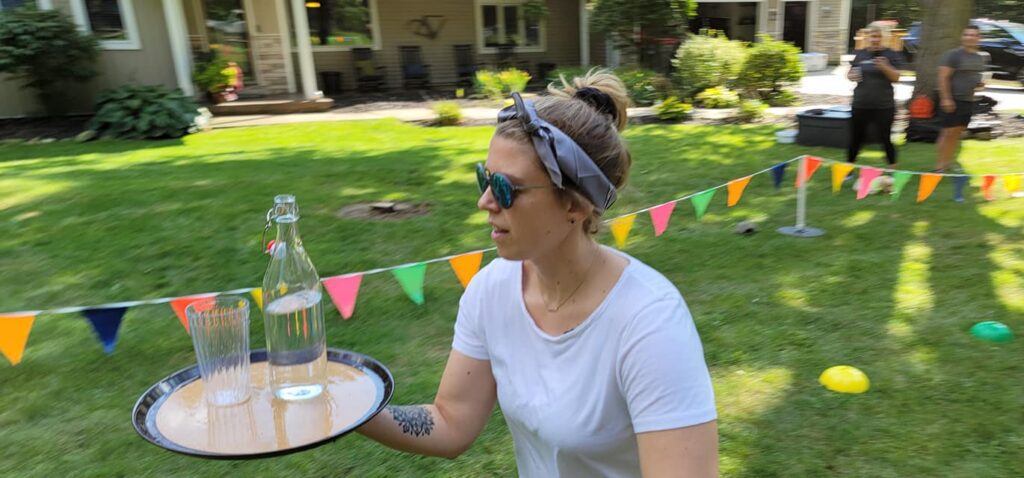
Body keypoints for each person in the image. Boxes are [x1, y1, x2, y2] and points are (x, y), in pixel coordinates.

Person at [357, 71, 719, 477]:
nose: (485, 201)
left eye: (507, 189)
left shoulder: (648, 322)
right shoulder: (491, 290)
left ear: (575, 206)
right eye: (485, 178)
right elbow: (450, 421)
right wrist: (353, 410)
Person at [847, 26, 904, 168]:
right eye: (873, 36)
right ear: (868, 38)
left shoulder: (890, 54)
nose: (875, 39)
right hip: (861, 103)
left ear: (883, 39)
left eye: (878, 36)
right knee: (856, 137)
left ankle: (892, 170)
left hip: (884, 105)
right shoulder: (860, 54)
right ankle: (848, 169)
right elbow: (850, 73)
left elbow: (896, 77)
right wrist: (851, 76)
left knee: (885, 138)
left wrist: (885, 66)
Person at [935, 24, 989, 173]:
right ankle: (940, 165)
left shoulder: (979, 57)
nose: (970, 37)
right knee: (947, 132)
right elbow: (943, 77)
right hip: (952, 99)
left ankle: (948, 162)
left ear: (979, 38)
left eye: (973, 35)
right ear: (962, 37)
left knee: (958, 132)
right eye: (967, 35)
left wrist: (980, 84)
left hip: (968, 100)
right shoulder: (953, 55)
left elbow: (976, 78)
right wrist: (946, 99)